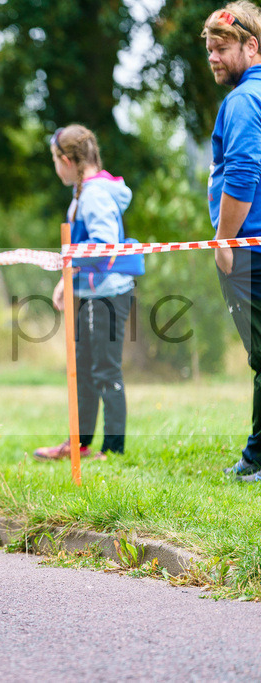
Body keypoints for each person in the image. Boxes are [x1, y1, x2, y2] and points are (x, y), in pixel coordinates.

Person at [34, 124, 138, 461]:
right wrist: (67, 280)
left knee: (105, 371)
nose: (54, 168)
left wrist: (73, 266)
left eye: (54, 161)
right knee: (84, 370)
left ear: (66, 159)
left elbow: (105, 246)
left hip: (108, 294)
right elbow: (81, 248)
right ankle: (78, 444)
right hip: (91, 293)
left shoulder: (94, 194)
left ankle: (114, 450)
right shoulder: (85, 192)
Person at [201, 3, 261, 481]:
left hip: (250, 253)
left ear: (251, 45)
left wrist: (224, 239)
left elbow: (242, 171)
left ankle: (256, 460)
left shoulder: (242, 102)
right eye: (209, 50)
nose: (213, 58)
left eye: (221, 48)